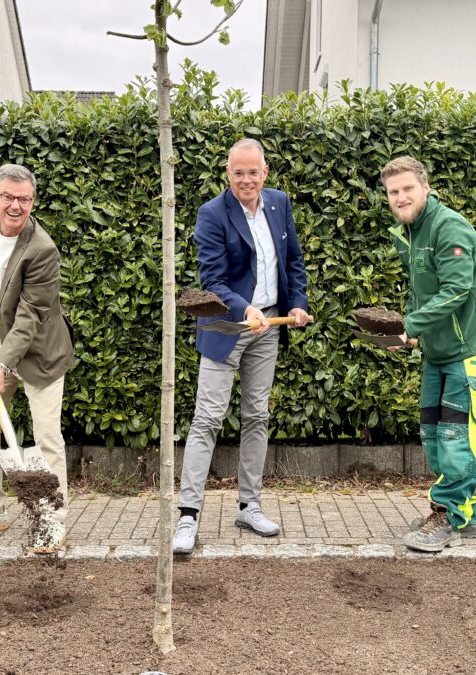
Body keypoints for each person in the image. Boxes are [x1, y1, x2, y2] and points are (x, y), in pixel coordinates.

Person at [172, 139, 313, 554]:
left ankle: (249, 506)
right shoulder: (212, 214)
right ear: (227, 173)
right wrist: (245, 307)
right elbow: (212, 281)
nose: (246, 179)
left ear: (265, 172)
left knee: (256, 416)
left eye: (253, 172)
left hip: (269, 326)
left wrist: (298, 305)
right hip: (226, 328)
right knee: (208, 419)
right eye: (238, 172)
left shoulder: (279, 204)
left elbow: (293, 263)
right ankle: (187, 516)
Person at [380, 156, 476, 553]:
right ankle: (465, 514)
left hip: (472, 349)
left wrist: (412, 326)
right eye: (393, 192)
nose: (400, 197)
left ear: (426, 188)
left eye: (407, 189)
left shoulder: (448, 226)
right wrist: (417, 335)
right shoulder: (412, 231)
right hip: (440, 350)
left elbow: (457, 290)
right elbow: (426, 292)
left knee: (456, 435)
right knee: (435, 435)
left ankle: (448, 516)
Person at [0, 164, 75, 545]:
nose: (16, 206)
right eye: (8, 197)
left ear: (33, 201)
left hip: (39, 356)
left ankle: (53, 521)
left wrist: (3, 365)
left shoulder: (42, 249)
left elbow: (30, 315)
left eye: (24, 199)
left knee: (46, 437)